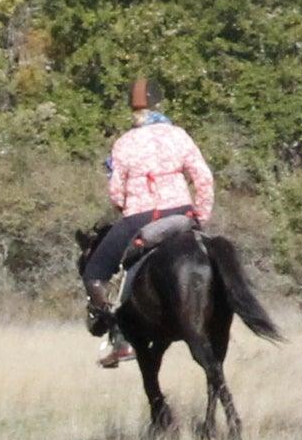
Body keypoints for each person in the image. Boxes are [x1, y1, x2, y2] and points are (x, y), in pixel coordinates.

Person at [85, 79, 218, 366]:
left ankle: (118, 338)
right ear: (159, 104)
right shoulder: (179, 136)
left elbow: (116, 192)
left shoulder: (124, 142)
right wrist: (200, 216)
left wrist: (126, 208)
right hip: (182, 213)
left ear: (132, 110)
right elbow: (203, 178)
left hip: (140, 217)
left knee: (94, 273)